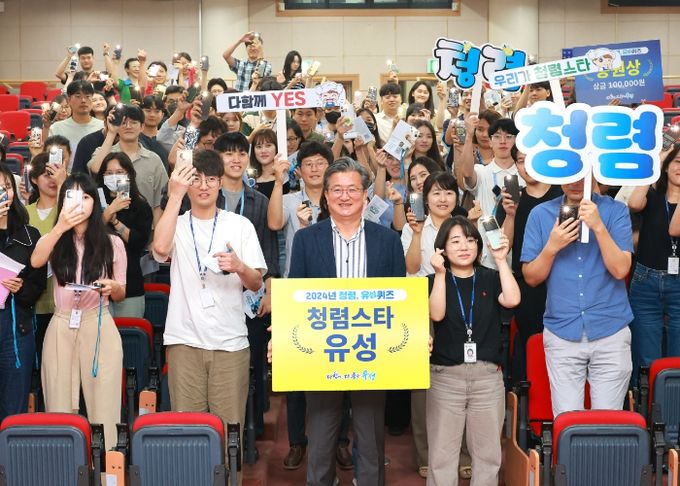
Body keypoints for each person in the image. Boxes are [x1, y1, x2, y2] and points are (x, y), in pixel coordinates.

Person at [282, 157, 406, 486]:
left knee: (370, 440)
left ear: (365, 195)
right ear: (325, 196)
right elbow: (295, 296)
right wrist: (281, 339)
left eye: (352, 189)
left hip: (371, 354)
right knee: (321, 442)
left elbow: (399, 299)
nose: (345, 196)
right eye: (337, 190)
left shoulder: (388, 240)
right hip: (322, 354)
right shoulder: (307, 240)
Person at [152, 149, 266, 467]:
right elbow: (159, 249)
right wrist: (175, 195)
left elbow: (256, 282)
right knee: (188, 436)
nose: (204, 186)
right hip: (184, 341)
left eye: (211, 179)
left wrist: (239, 266)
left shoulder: (239, 225)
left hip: (230, 343)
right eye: (196, 179)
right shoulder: (176, 222)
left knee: (229, 436)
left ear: (220, 183)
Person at [521, 177, 633, 416]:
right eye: (569, 175)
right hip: (562, 330)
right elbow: (531, 277)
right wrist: (552, 246)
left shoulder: (615, 210)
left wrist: (598, 227)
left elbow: (621, 269)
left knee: (609, 423)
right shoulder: (541, 214)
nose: (575, 182)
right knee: (568, 423)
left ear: (594, 174)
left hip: (610, 329)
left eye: (582, 175)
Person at [32, 172, 127, 446]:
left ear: (94, 202)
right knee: (58, 403)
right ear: (63, 201)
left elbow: (121, 291)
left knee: (105, 405)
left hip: (98, 322)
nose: (80, 203)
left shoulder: (112, 243)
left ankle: (107, 463)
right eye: (72, 196)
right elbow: (36, 261)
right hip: (62, 323)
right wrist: (60, 226)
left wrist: (112, 287)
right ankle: (64, 463)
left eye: (86, 197)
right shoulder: (56, 239)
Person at [427, 216, 520, 485]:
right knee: (442, 457)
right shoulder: (433, 280)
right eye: (455, 241)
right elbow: (436, 314)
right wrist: (441, 274)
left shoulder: (490, 277)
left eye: (470, 240)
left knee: (488, 456)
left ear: (479, 245)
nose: (464, 246)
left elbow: (513, 299)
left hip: (487, 378)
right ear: (442, 248)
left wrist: (501, 260)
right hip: (445, 377)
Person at [214, 132, 281, 443]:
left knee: (252, 364)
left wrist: (269, 290)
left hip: (249, 294)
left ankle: (249, 431)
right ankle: (219, 429)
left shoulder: (258, 200)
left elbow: (269, 250)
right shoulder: (207, 197)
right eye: (229, 153)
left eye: (242, 153)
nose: (236, 159)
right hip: (215, 292)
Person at [401, 172, 467, 478]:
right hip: (420, 304)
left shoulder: (466, 228)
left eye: (449, 193)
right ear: (424, 198)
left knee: (462, 378)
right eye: (436, 193)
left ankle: (463, 453)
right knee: (421, 385)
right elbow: (411, 267)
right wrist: (416, 234)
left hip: (459, 304)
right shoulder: (413, 228)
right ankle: (425, 454)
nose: (443, 199)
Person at [500, 147, 561, 382]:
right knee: (531, 343)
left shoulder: (562, 193)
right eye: (520, 161)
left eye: (531, 159)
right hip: (526, 284)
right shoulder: (512, 200)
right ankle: (531, 395)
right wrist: (510, 214)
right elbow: (503, 245)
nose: (526, 166)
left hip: (561, 281)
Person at [627, 145, 680, 379]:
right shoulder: (652, 194)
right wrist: (655, 164)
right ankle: (648, 400)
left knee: (678, 359)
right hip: (645, 279)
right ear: (666, 166)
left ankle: (673, 400)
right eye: (677, 161)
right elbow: (634, 203)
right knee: (646, 359)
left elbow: (674, 229)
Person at [0, 164, 47, 424]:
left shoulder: (29, 235)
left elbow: (38, 284)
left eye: (6, 187)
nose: (3, 193)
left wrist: (20, 288)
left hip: (17, 327)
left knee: (14, 407)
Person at [88, 104, 168, 226]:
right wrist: (111, 132)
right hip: (108, 228)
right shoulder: (104, 152)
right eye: (123, 123)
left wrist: (156, 233)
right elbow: (96, 169)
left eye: (134, 122)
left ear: (142, 126)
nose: (128, 126)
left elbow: (159, 203)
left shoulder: (154, 160)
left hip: (144, 230)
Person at [460, 117, 523, 269]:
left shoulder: (525, 173)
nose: (503, 141)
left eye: (509, 136)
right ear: (489, 141)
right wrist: (469, 136)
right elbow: (467, 173)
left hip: (518, 252)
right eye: (497, 136)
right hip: (487, 256)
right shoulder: (481, 172)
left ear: (517, 140)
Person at [96, 152, 152, 318]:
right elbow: (87, 236)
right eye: (109, 173)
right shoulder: (93, 202)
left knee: (129, 330)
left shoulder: (141, 206)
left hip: (130, 282)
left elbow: (138, 243)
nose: (114, 177)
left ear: (129, 175)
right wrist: (109, 212)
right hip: (97, 284)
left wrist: (115, 222)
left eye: (119, 172)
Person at [25, 153, 67, 363]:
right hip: (31, 298)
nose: (52, 179)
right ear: (34, 179)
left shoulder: (68, 211)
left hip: (63, 298)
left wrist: (63, 187)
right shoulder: (24, 213)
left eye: (55, 174)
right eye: (46, 174)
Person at [48, 81, 105, 169]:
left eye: (87, 96)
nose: (83, 100)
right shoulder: (56, 128)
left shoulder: (103, 127)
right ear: (69, 100)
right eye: (78, 96)